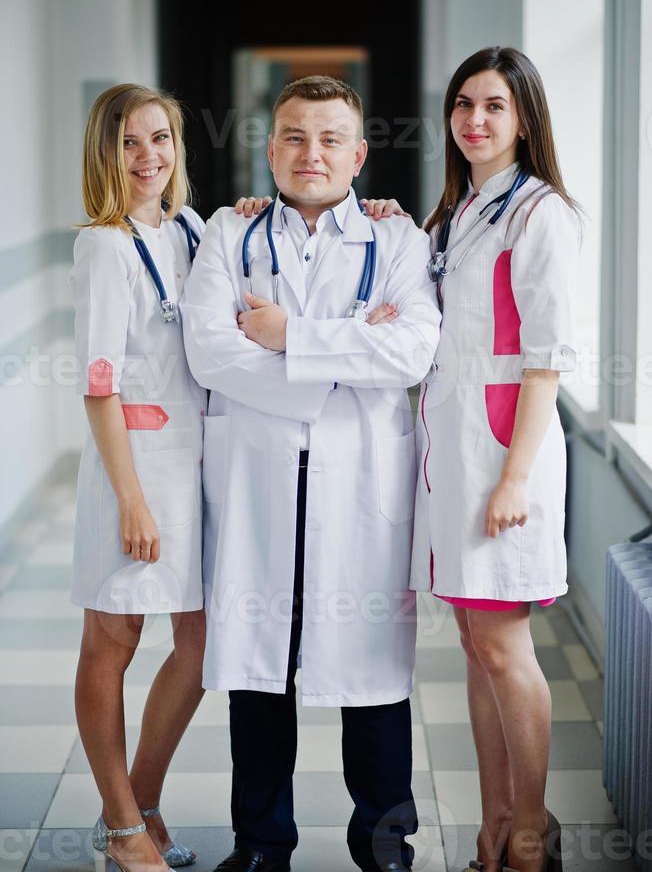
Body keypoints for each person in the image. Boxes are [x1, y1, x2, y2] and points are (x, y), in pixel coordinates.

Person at [181, 75, 441, 872]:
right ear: (270, 149)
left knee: (372, 678)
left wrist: (286, 335)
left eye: (330, 138)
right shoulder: (231, 233)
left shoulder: (398, 240)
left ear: (359, 154)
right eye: (294, 136)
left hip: (359, 482)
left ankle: (385, 840)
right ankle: (261, 845)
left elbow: (410, 352)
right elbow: (208, 352)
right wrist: (341, 350)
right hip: (258, 483)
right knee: (260, 678)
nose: (311, 152)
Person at [374, 46, 578, 872]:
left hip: (501, 452)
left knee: (504, 644)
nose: (474, 120)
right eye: (463, 104)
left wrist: (515, 478)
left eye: (494, 105)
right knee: (473, 639)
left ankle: (530, 828)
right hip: (451, 448)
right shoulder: (459, 211)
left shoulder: (540, 214)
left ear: (524, 118)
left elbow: (548, 357)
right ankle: (495, 819)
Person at [70, 84, 207, 872]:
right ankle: (124, 829)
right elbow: (99, 384)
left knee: (198, 639)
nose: (149, 156)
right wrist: (130, 500)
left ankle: (137, 800)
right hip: (134, 471)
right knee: (113, 638)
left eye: (160, 138)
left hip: (190, 469)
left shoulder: (187, 226)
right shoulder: (103, 245)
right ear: (105, 153)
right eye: (128, 143)